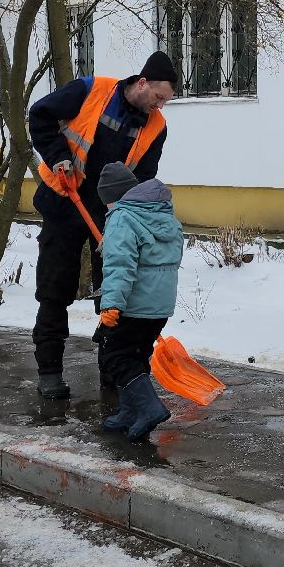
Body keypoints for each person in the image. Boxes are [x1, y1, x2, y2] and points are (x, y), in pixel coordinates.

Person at [27, 52, 177, 399]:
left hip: (111, 218)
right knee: (54, 290)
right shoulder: (91, 90)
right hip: (64, 202)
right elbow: (40, 115)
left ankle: (113, 376)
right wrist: (58, 156)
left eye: (165, 102)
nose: (159, 107)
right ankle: (50, 373)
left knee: (113, 298)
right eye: (158, 98)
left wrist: (124, 218)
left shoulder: (156, 127)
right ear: (142, 83)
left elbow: (143, 176)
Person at [91, 163, 181, 440]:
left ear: (113, 197)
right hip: (159, 307)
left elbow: (120, 266)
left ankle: (149, 409)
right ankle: (129, 412)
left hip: (133, 305)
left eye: (106, 203)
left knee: (115, 357)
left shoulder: (122, 218)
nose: (107, 209)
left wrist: (110, 305)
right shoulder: (164, 215)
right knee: (137, 355)